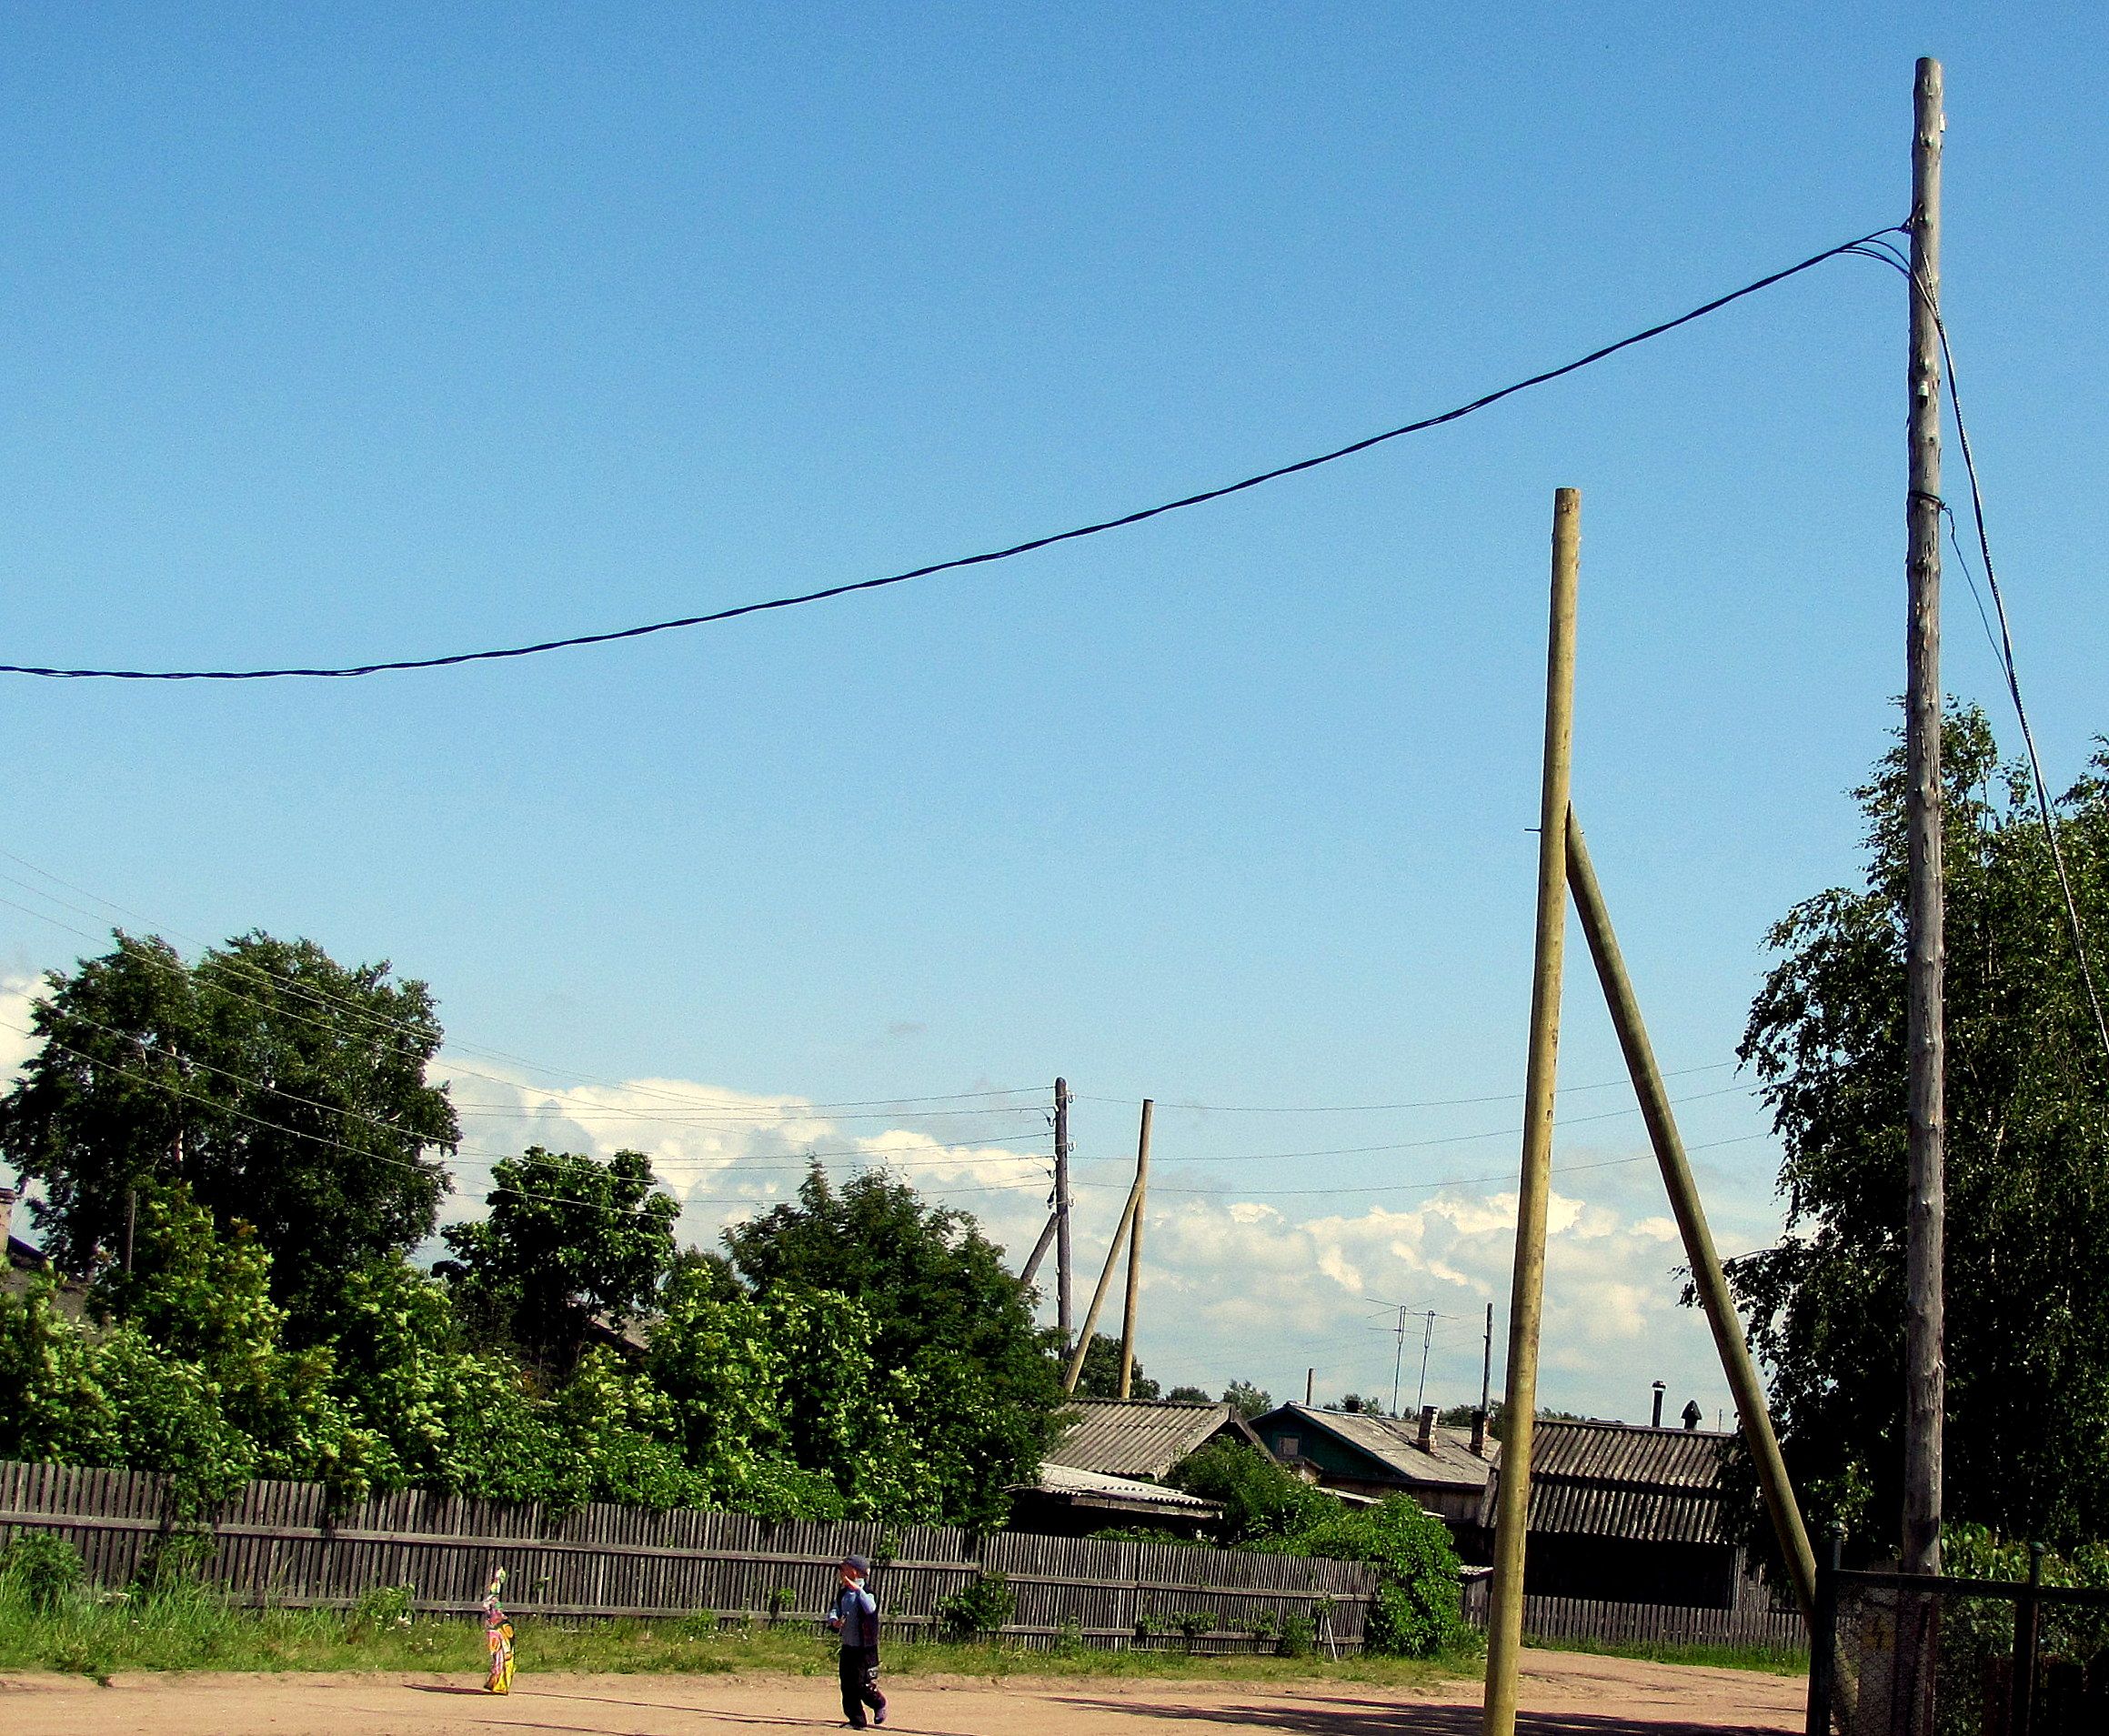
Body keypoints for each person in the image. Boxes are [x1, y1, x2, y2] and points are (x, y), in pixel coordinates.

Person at [828, 1554, 886, 1729]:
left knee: (862, 1685)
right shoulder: (843, 1593)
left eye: (844, 1569)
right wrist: (834, 1621)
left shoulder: (867, 1592)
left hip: (865, 1649)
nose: (841, 1572)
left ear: (854, 1571)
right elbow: (835, 1610)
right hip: (848, 1647)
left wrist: (857, 1590)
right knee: (847, 1686)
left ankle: (878, 1703)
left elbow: (870, 1608)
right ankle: (857, 1720)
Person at [481, 1567, 516, 1695]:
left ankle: (500, 1684)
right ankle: (497, 1683)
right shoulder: (492, 1601)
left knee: (503, 1657)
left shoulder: (493, 1602)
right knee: (499, 1657)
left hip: (500, 1629)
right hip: (496, 1629)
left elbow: (493, 1612)